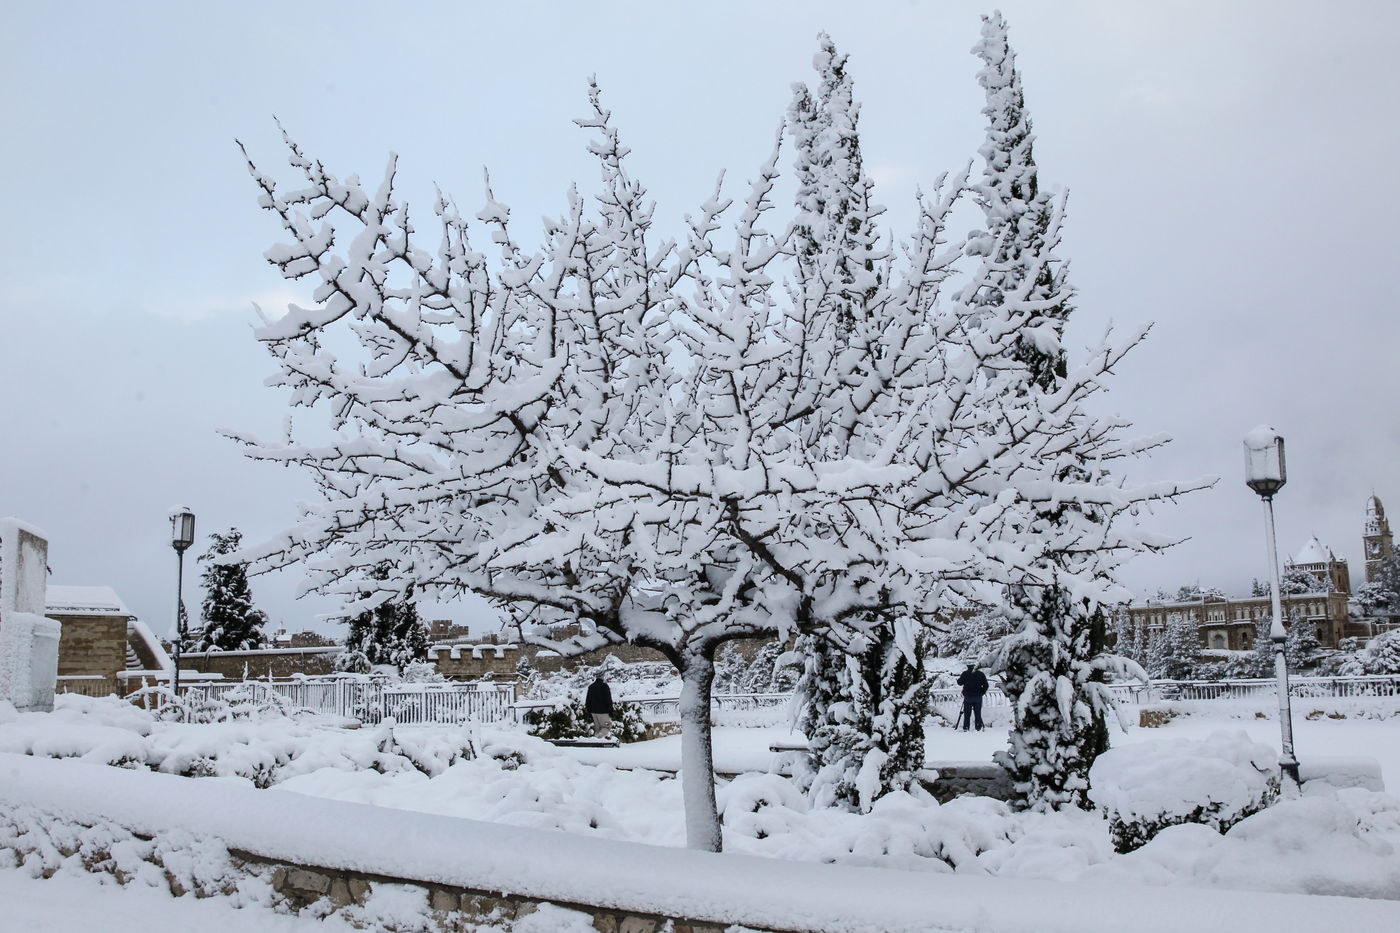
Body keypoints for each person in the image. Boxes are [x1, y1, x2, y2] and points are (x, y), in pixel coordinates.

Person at [956, 662, 989, 732]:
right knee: (978, 713)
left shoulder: (965, 674)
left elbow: (959, 683)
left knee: (967, 714)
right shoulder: (980, 674)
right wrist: (982, 693)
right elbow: (986, 685)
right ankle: (978, 728)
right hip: (978, 697)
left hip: (968, 697)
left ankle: (966, 728)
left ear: (967, 666)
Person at [583, 672, 614, 739]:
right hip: (603, 712)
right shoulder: (605, 686)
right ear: (602, 677)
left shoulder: (591, 687)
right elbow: (608, 699)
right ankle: (598, 739)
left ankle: (596, 744)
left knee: (597, 729)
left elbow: (588, 700)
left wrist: (588, 711)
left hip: (593, 712)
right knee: (606, 727)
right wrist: (611, 710)